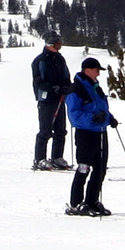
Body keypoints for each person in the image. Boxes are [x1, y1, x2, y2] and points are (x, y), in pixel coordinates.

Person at [64, 57, 117, 215]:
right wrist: (93, 119)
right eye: (96, 70)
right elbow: (74, 116)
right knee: (83, 168)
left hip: (100, 133)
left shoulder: (96, 88)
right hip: (85, 134)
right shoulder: (76, 89)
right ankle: (76, 203)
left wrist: (110, 118)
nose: (98, 74)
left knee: (100, 169)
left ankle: (91, 201)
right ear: (87, 70)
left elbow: (101, 108)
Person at [31, 34, 73, 170]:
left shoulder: (60, 59)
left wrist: (67, 86)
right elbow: (38, 81)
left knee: (61, 129)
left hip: (60, 97)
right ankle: (39, 158)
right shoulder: (40, 60)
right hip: (47, 99)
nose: (59, 47)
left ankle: (57, 157)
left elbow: (66, 75)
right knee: (45, 129)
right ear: (50, 45)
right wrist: (52, 88)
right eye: (57, 44)